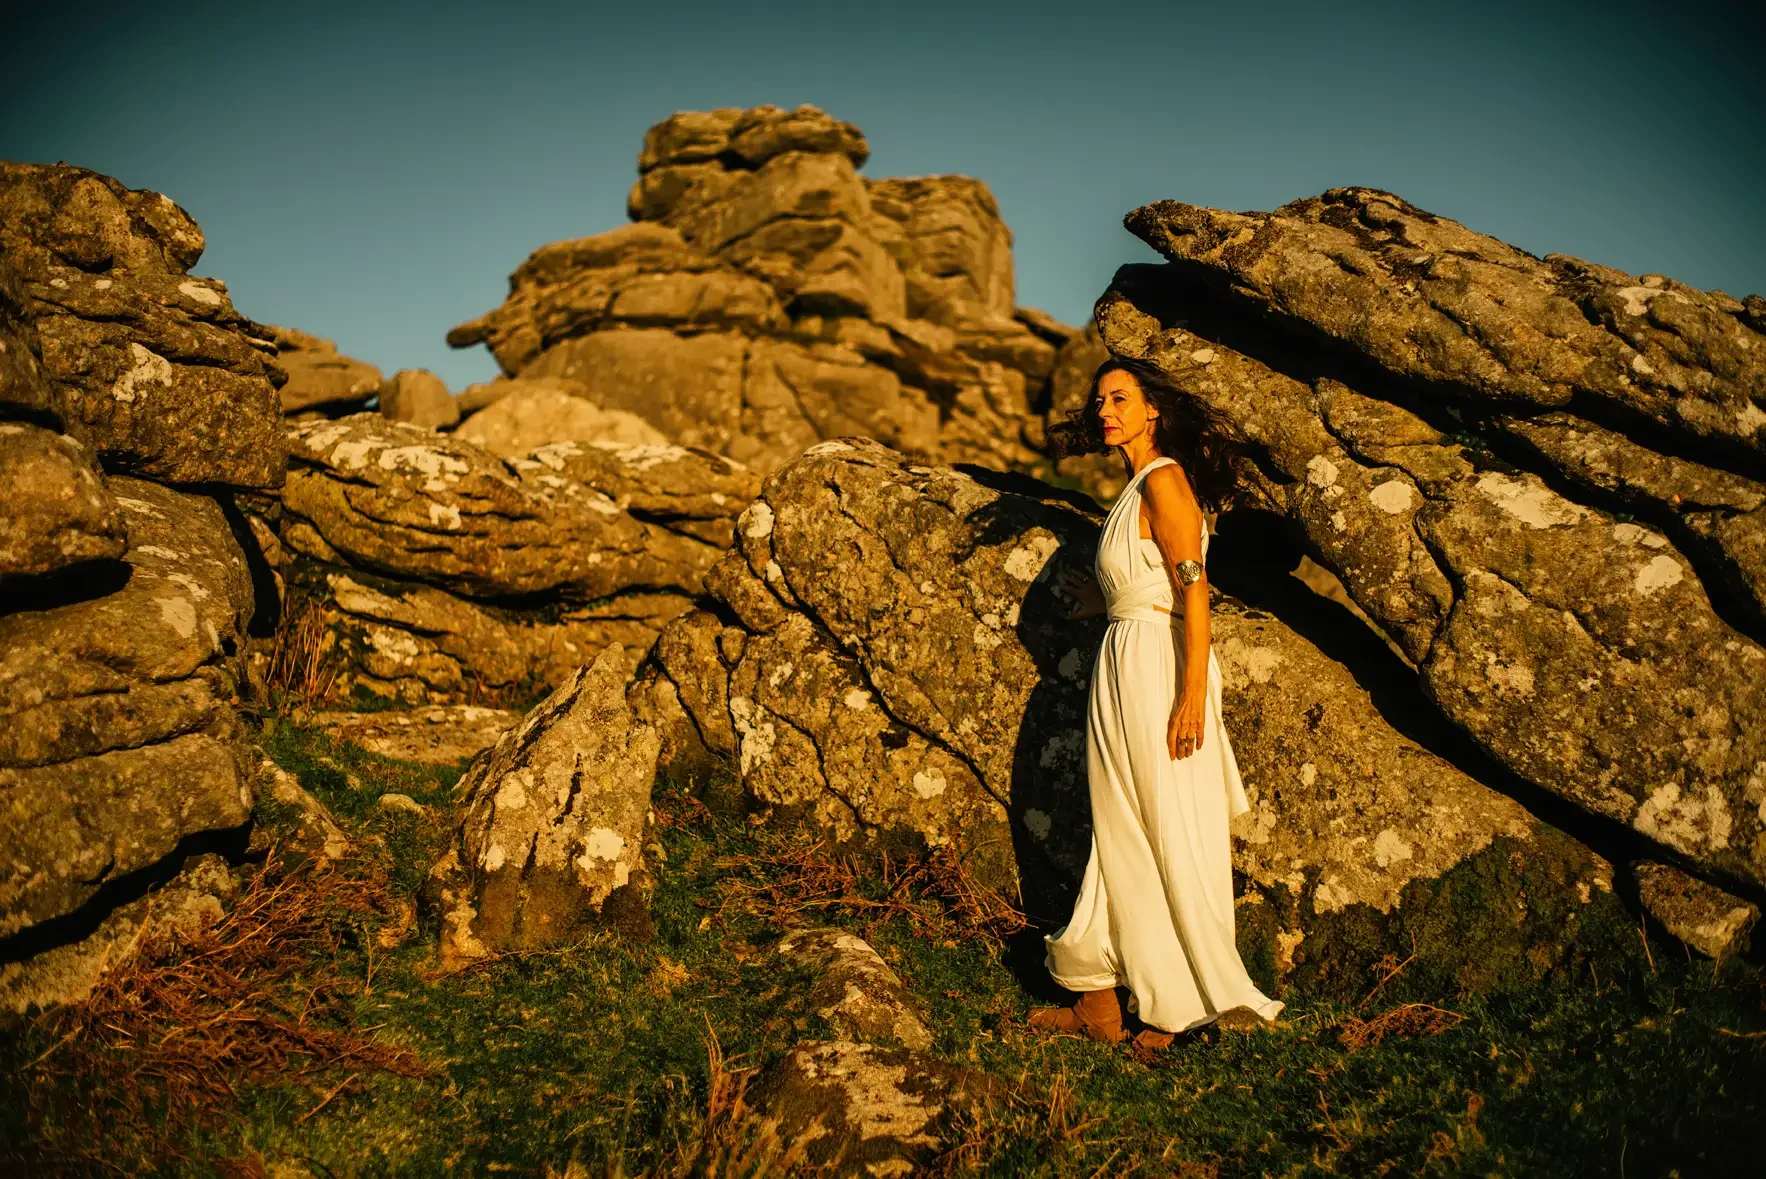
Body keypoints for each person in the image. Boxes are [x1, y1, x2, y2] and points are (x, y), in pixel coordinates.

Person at [1029, 355, 1283, 1052]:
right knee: (1122, 827)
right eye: (1100, 398)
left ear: (1152, 411)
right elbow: (1150, 581)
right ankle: (1099, 996)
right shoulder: (1136, 485)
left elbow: (1194, 586)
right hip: (1124, 660)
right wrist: (1099, 601)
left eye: (1119, 397)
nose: (1104, 408)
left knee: (1166, 826)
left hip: (1159, 669)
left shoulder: (1165, 478)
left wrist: (1193, 694)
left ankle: (1187, 1003)